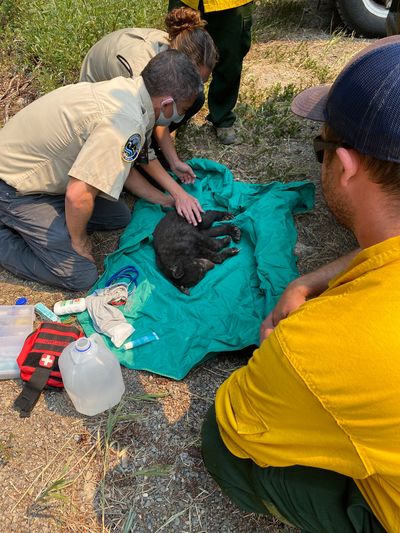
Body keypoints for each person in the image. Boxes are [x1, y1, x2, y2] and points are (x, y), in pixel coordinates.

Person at [201, 36, 400, 532]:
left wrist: (277, 356)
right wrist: (311, 279)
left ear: (348, 166)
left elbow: (234, 420)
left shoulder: (324, 346)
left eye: (321, 149)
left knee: (220, 447)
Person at [0, 49, 203, 291]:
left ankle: (46, 220)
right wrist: (79, 241)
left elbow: (122, 165)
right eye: (182, 109)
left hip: (43, 172)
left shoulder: (130, 92)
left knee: (119, 216)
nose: (180, 116)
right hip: (13, 184)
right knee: (80, 275)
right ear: (167, 103)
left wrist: (166, 200)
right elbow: (78, 195)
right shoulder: (124, 120)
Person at [80, 7, 218, 184]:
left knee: (195, 98)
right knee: (150, 175)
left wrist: (173, 161)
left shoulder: (177, 48)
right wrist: (167, 183)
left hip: (143, 101)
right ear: (180, 65)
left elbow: (161, 113)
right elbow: (144, 119)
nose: (199, 85)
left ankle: (153, 156)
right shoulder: (139, 67)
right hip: (100, 103)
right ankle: (134, 166)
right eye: (197, 78)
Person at [168, 0, 253, 145]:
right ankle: (172, 113)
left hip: (230, 4)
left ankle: (222, 117)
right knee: (179, 53)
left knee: (230, 58)